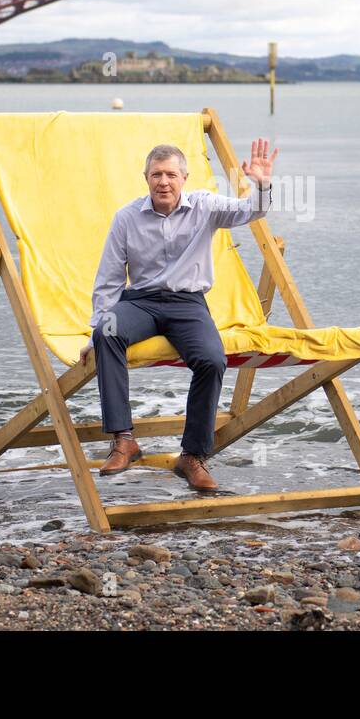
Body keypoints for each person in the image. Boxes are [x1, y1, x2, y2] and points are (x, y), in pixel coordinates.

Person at [79, 138, 277, 490]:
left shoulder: (206, 206)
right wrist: (96, 328)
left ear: (184, 178)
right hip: (140, 301)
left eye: (171, 174)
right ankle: (124, 440)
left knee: (213, 359)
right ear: (146, 178)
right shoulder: (126, 217)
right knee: (107, 333)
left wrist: (261, 186)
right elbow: (109, 277)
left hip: (188, 304)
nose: (163, 181)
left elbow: (252, 211)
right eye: (156, 174)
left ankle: (192, 456)